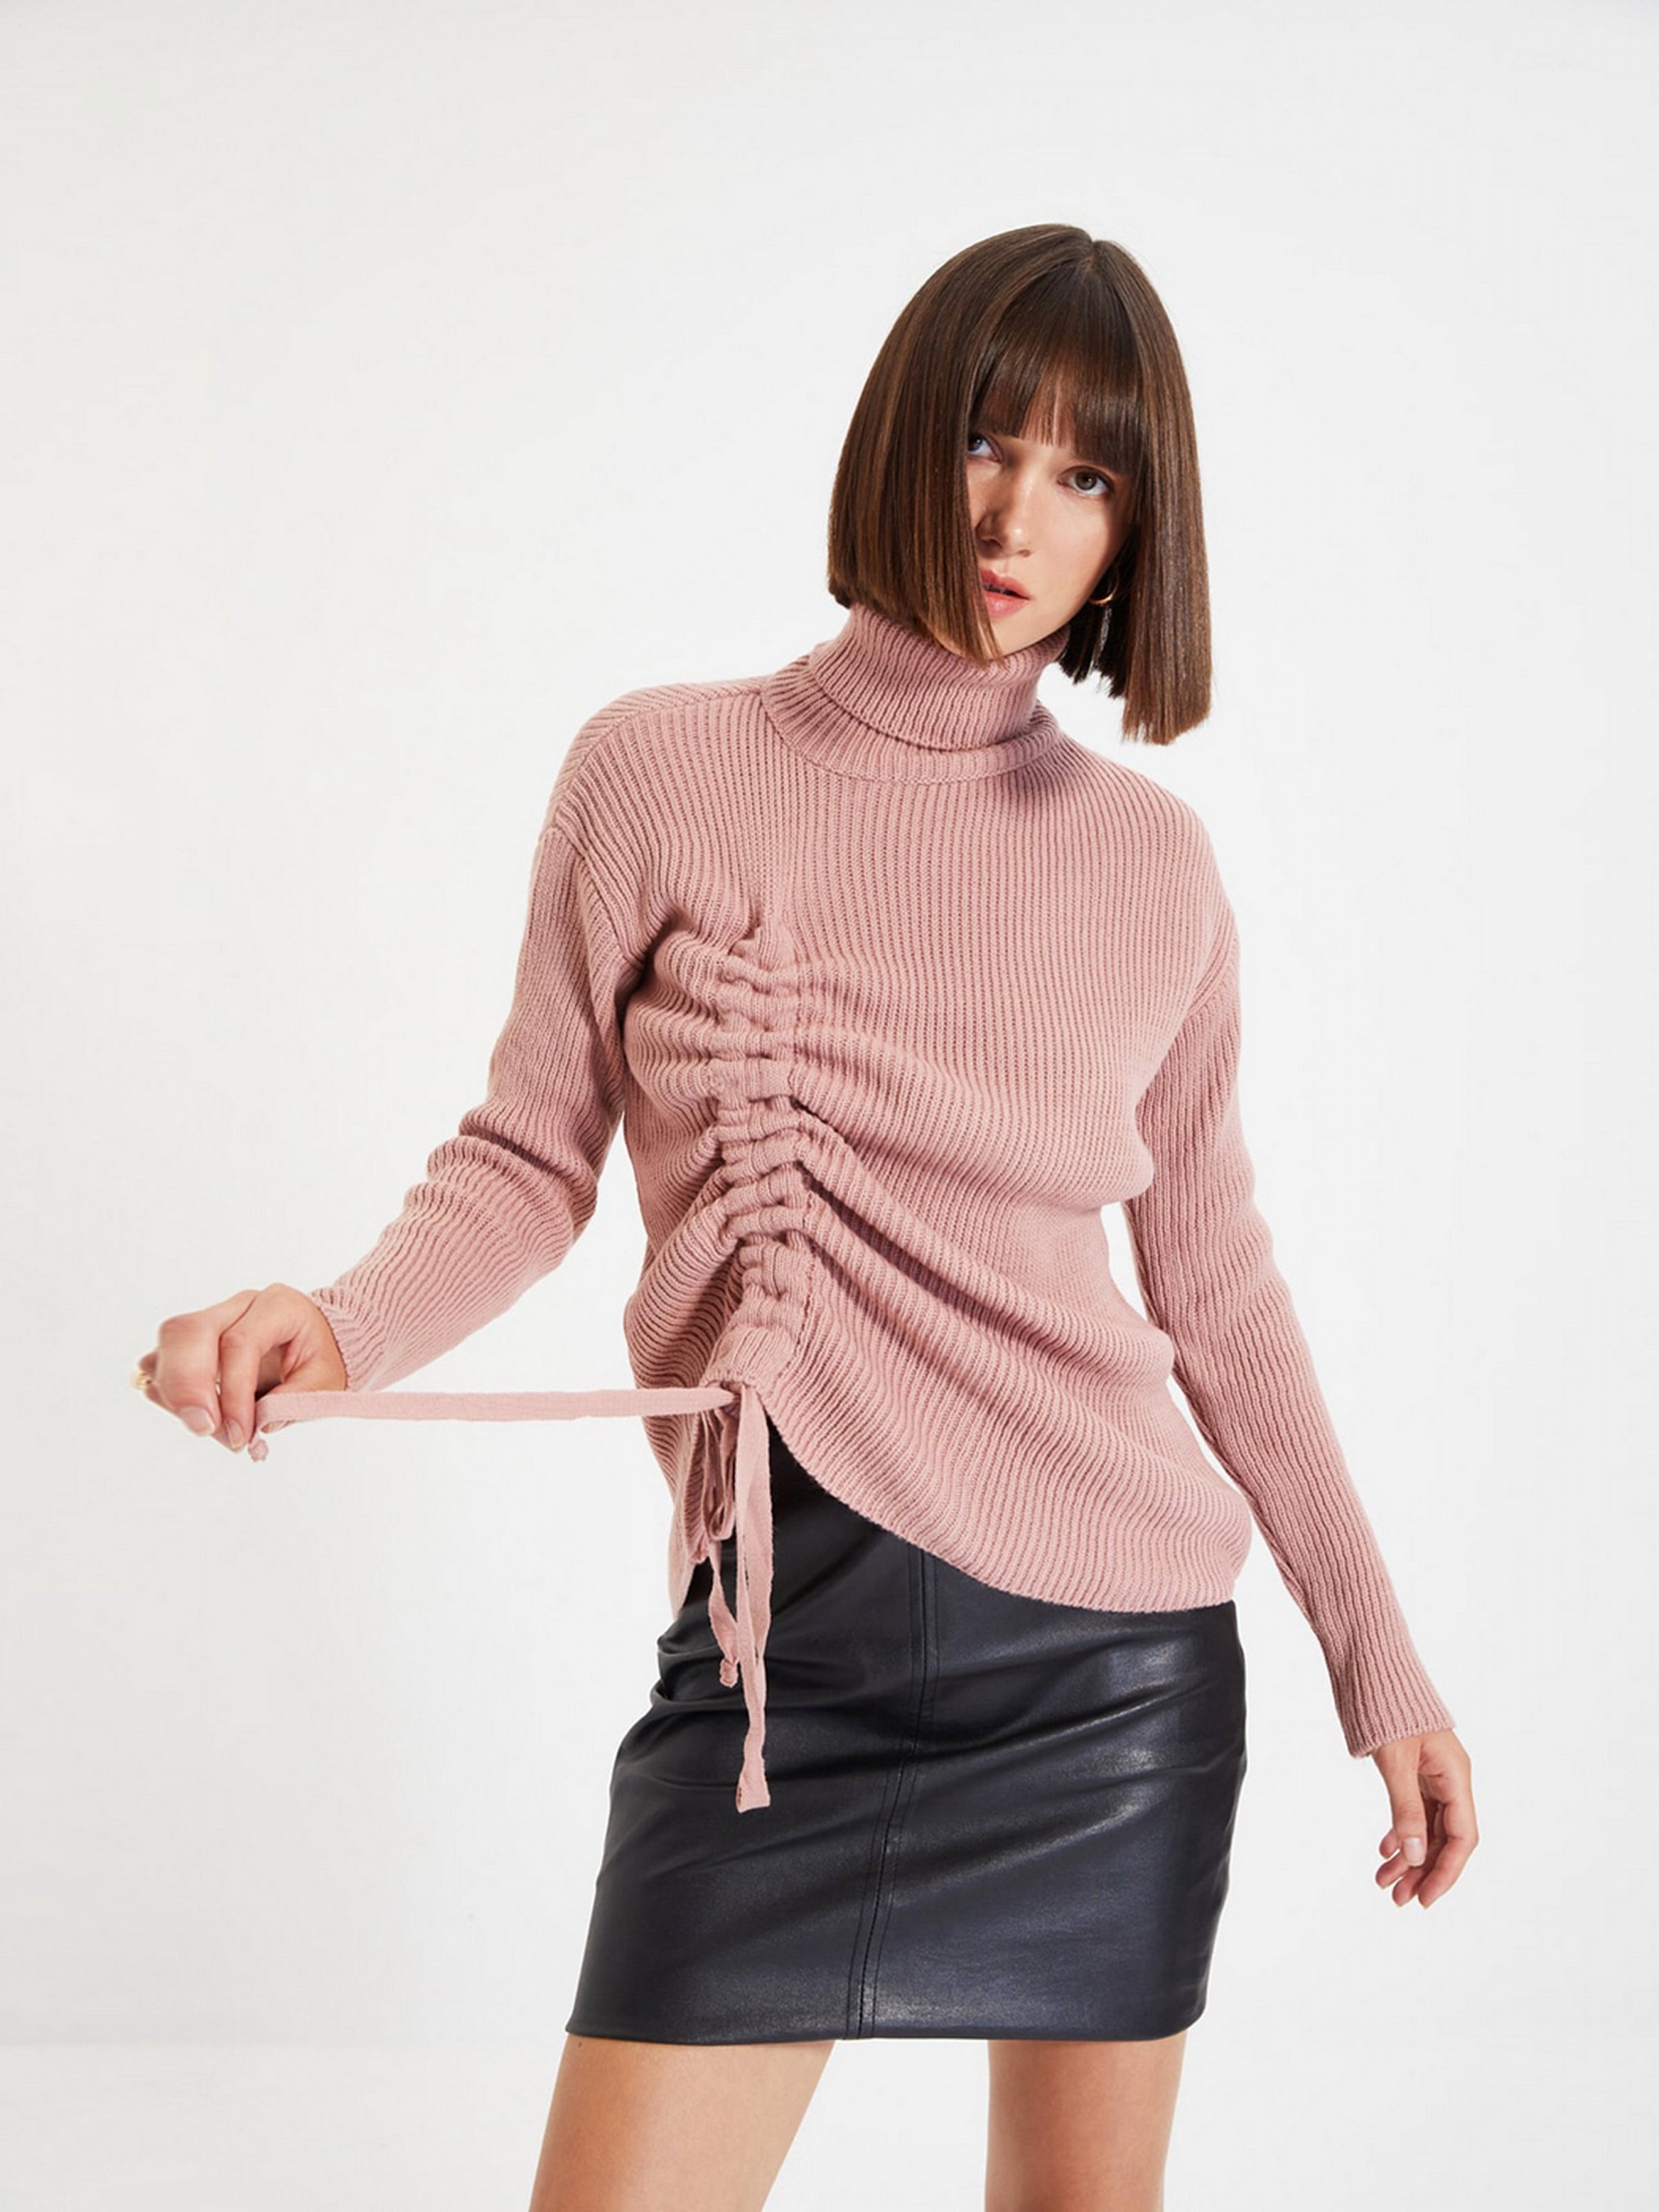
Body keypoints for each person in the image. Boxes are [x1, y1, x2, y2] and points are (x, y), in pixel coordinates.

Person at [134, 224, 1479, 2212]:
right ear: (900, 440)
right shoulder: (657, 770)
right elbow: (527, 1156)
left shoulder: (1153, 865)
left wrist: (1380, 1663)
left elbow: (1215, 1288)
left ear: (1137, 530)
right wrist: (336, 1324)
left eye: (1085, 475)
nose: (1017, 517)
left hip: (1110, 1687)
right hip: (776, 1673)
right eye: (985, 442)